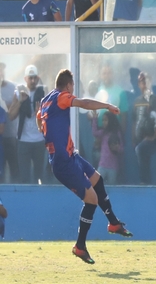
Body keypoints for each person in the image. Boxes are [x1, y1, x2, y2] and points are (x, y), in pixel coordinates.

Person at [38, 69, 132, 264]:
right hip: (63, 162)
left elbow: (39, 117)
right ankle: (80, 246)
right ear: (68, 85)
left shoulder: (46, 100)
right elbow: (84, 103)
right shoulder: (62, 97)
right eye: (72, 87)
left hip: (70, 155)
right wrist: (107, 105)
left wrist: (45, 131)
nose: (73, 91)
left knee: (98, 179)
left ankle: (113, 223)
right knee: (92, 200)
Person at [17, 65, 48, 184]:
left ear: (38, 78)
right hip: (24, 140)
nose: (33, 81)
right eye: (30, 78)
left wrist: (40, 113)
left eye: (35, 78)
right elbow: (11, 115)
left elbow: (49, 116)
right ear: (25, 78)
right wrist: (20, 101)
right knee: (24, 176)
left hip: (39, 140)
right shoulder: (19, 92)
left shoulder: (43, 92)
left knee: (39, 176)